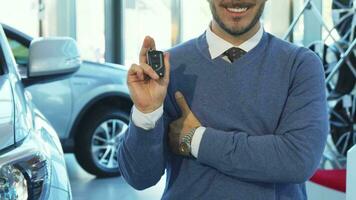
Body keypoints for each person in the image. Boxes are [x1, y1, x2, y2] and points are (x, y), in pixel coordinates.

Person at [118, 0, 329, 199]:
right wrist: (147, 113)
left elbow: (297, 160)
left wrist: (195, 139)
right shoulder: (169, 68)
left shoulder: (300, 65)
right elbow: (140, 176)